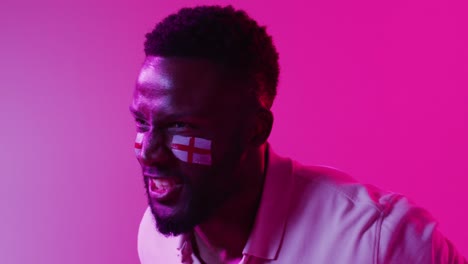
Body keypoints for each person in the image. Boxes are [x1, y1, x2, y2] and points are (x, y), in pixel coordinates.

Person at [130, 5, 466, 264]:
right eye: (142, 124)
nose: (149, 152)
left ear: (254, 130)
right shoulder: (157, 235)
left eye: (180, 126)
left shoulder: (380, 241)